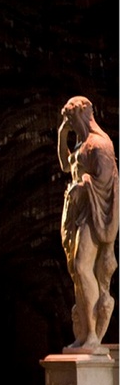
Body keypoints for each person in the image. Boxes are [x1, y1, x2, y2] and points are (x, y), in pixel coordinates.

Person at [57, 96, 119, 351]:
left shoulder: (99, 145)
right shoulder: (82, 144)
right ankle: (85, 333)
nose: (69, 124)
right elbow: (64, 165)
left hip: (92, 216)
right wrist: (62, 136)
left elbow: (107, 181)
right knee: (78, 274)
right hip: (77, 214)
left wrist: (83, 185)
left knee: (84, 268)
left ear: (82, 115)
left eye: (71, 119)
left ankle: (92, 333)